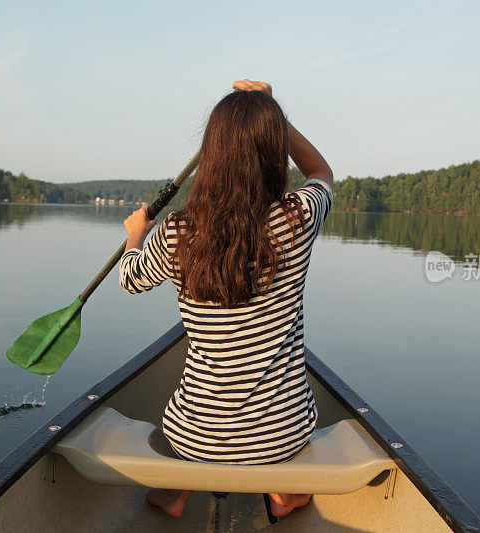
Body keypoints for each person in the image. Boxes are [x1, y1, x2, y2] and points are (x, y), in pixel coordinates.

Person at [119, 79, 334, 519]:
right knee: (280, 445)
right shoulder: (297, 218)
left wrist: (135, 236)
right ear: (272, 151)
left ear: (211, 153)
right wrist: (274, 116)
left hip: (195, 434)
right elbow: (322, 173)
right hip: (281, 434)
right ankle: (282, 492)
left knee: (195, 430)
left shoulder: (177, 232)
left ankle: (181, 491)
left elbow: (130, 279)